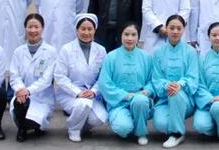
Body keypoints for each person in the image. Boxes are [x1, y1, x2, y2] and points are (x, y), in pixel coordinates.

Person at [54, 13, 107, 142]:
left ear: (95, 30)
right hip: (69, 93)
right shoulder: (66, 49)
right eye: (83, 29)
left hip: (91, 93)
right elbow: (60, 76)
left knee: (100, 118)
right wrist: (78, 92)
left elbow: (104, 76)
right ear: (77, 30)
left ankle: (81, 126)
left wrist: (93, 91)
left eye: (90, 29)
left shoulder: (101, 50)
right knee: (83, 104)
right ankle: (74, 129)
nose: (86, 32)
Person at [99, 23, 154, 145]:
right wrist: (125, 95)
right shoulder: (111, 57)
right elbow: (104, 83)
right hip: (118, 102)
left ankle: (141, 132)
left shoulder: (146, 57)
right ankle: (129, 123)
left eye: (133, 35)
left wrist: (148, 90)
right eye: (126, 34)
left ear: (138, 37)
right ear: (121, 35)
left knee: (140, 101)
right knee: (123, 128)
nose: (130, 38)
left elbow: (152, 80)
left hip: (140, 99)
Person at [152, 15, 199, 148]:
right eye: (172, 28)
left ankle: (177, 133)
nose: (175, 31)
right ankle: (175, 124)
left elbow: (193, 77)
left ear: (184, 30)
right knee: (160, 124)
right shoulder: (158, 52)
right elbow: (156, 78)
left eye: (179, 28)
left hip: (185, 99)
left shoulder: (191, 52)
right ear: (166, 29)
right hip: (164, 99)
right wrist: (167, 85)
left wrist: (180, 84)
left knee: (176, 93)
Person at [9, 13, 57, 142]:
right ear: (25, 28)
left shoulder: (51, 51)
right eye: (30, 27)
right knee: (20, 104)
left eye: (36, 27)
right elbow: (14, 75)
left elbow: (46, 80)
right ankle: (22, 129)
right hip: (21, 95)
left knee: (34, 121)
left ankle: (34, 126)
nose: (33, 30)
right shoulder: (18, 51)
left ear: (42, 28)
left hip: (42, 97)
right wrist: (20, 89)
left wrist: (28, 91)